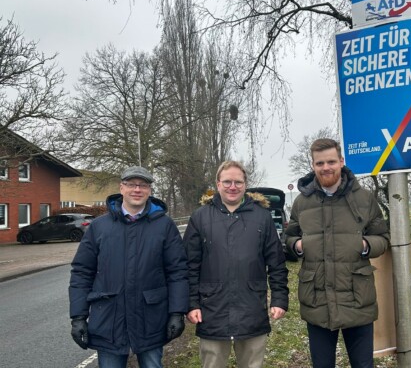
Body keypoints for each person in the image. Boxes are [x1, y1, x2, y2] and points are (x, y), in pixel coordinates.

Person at [69, 166, 189, 368]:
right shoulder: (99, 227)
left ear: (149, 190)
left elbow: (177, 271)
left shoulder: (164, 226)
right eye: (132, 184)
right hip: (109, 319)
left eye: (143, 185)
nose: (137, 189)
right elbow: (82, 272)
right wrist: (78, 317)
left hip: (150, 318)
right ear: (121, 188)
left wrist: (177, 312)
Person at [285, 139, 390, 368]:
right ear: (313, 165)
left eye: (331, 161)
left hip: (357, 297)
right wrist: (297, 246)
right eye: (320, 163)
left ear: (341, 161)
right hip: (317, 299)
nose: (326, 167)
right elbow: (289, 238)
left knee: (363, 365)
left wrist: (364, 244)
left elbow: (383, 238)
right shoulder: (302, 203)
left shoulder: (364, 199)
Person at [183, 160, 289, 368]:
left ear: (245, 184)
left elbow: (276, 262)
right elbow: (189, 265)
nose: (233, 186)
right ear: (218, 183)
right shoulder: (200, 217)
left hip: (252, 307)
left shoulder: (262, 217)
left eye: (238, 182)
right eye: (227, 181)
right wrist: (191, 303)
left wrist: (279, 298)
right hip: (212, 308)